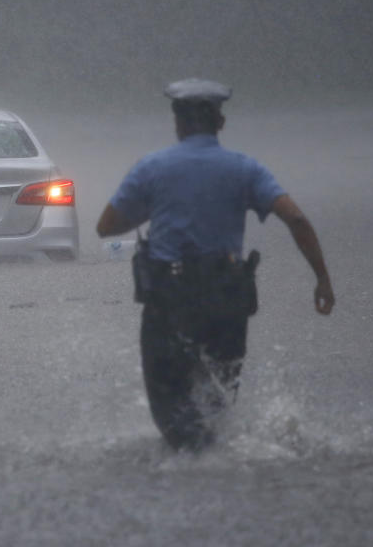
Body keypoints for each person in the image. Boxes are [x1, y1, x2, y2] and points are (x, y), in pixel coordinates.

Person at [96, 77, 334, 450]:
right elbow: (298, 220)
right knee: (218, 407)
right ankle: (218, 470)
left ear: (177, 123)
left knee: (172, 416)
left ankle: (185, 475)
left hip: (168, 302)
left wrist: (151, 209)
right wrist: (322, 279)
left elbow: (106, 226)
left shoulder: (151, 168)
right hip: (226, 301)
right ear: (219, 123)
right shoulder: (246, 169)